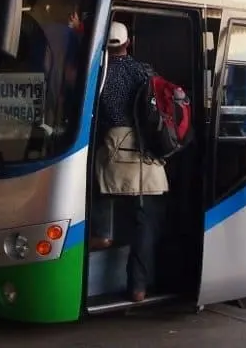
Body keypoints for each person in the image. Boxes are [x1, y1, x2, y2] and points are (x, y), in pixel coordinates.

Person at [91, 21, 169, 302]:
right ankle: (138, 288)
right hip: (148, 161)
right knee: (145, 229)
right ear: (129, 43)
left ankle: (102, 232)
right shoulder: (145, 72)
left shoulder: (98, 73)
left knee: (96, 187)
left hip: (112, 155)